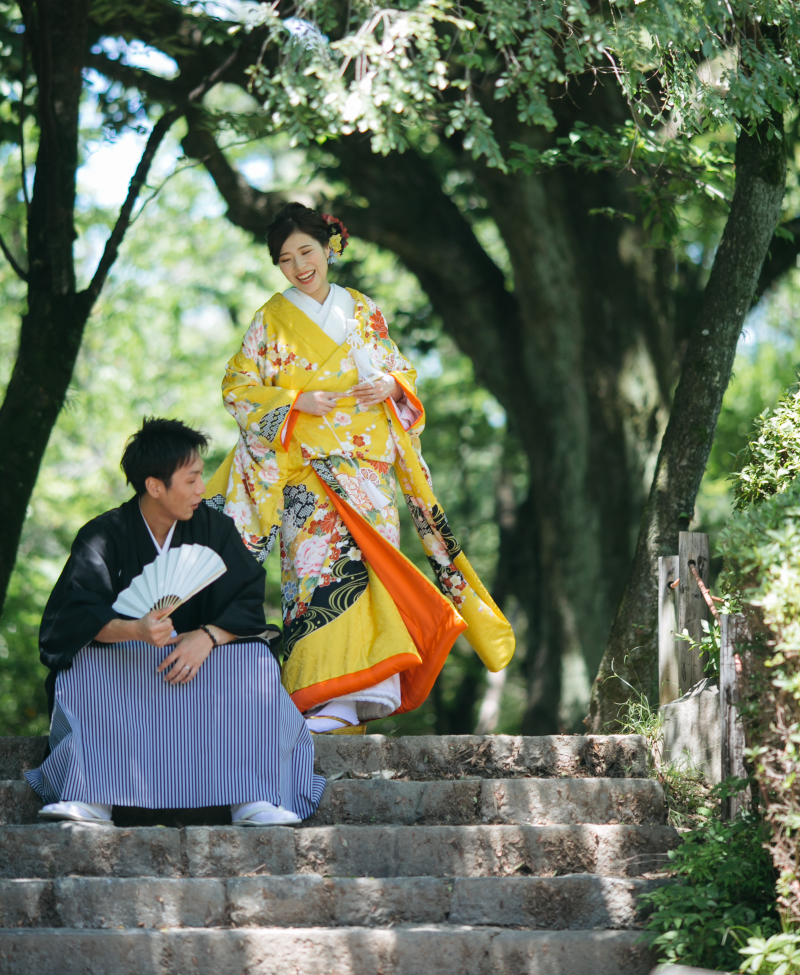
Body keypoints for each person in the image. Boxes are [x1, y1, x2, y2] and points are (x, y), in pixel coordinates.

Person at [204, 203, 515, 734]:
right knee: (316, 579)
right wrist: (297, 401)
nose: (299, 266)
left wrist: (391, 385)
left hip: (368, 468)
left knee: (372, 575)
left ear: (329, 247)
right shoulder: (269, 319)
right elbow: (237, 388)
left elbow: (399, 367)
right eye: (285, 259)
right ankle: (321, 702)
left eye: (306, 251)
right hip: (305, 473)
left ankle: (361, 699)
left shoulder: (364, 309)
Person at [25, 417, 325, 826]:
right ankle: (91, 794)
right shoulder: (104, 535)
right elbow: (70, 619)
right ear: (155, 486)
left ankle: (253, 796)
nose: (202, 488)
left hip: (203, 667)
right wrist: (133, 630)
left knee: (254, 661)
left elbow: (248, 600)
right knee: (83, 663)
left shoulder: (215, 529)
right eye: (192, 478)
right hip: (128, 668)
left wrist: (207, 637)